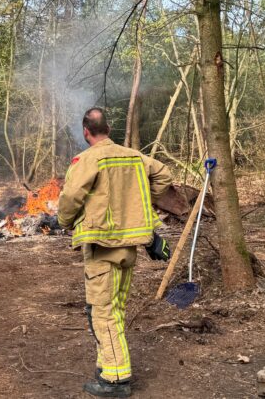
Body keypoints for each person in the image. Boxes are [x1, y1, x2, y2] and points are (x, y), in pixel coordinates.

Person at [58, 108, 172, 398]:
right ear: (108, 129)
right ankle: (107, 365)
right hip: (129, 248)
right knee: (115, 308)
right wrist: (140, 203)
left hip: (102, 247)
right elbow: (164, 174)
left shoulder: (88, 159)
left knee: (103, 312)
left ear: (86, 131)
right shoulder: (134, 157)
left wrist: (64, 221)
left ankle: (115, 379)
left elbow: (71, 196)